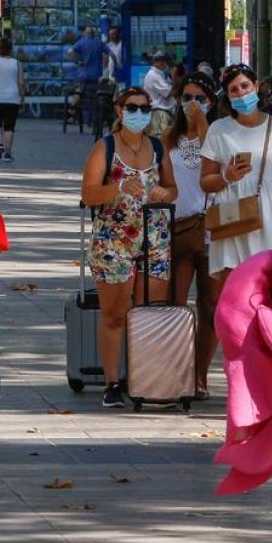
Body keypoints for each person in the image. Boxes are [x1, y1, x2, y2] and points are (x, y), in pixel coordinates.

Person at [79, 87, 177, 408]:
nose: (139, 113)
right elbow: (88, 194)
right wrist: (118, 187)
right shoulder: (105, 147)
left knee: (150, 311)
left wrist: (165, 192)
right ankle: (112, 382)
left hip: (154, 236)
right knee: (115, 314)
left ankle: (147, 379)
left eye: (145, 108)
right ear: (119, 111)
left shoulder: (157, 147)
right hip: (114, 239)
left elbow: (172, 188)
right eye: (132, 107)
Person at [199, 64, 272, 284]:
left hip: (271, 216)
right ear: (228, 96)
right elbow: (206, 182)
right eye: (234, 89)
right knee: (233, 288)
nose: (241, 93)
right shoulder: (218, 129)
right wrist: (226, 176)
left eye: (245, 86)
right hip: (230, 217)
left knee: (268, 284)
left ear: (256, 86)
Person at [164, 72, 219, 400]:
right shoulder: (169, 138)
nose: (193, 104)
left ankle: (200, 375)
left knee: (211, 308)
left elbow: (216, 162)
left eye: (200, 98)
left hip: (214, 229)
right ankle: (177, 373)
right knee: (176, 304)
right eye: (187, 98)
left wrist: (203, 124)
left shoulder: (219, 135)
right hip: (180, 227)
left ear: (211, 102)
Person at [0, 37, 25, 163]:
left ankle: (0, 145)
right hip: (12, 98)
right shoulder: (17, 63)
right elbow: (21, 83)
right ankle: (7, 152)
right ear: (11, 49)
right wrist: (22, 98)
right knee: (9, 126)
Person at [68, 26, 109, 127]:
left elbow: (70, 52)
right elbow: (109, 54)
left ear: (85, 33)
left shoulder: (81, 43)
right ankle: (93, 119)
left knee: (81, 94)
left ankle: (80, 115)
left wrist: (77, 61)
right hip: (96, 75)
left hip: (84, 75)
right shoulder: (99, 43)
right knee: (94, 96)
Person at [143, 51, 176, 137]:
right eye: (161, 61)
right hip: (159, 113)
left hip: (163, 113)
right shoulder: (154, 75)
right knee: (161, 140)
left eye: (166, 62)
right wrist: (174, 77)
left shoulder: (161, 74)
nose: (165, 64)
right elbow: (169, 93)